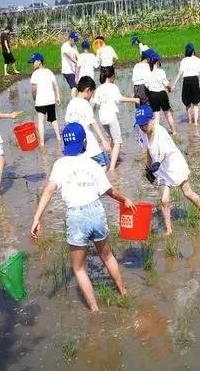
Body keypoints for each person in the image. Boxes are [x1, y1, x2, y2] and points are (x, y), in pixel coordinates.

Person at [31, 123, 135, 311]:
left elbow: (48, 190)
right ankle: (123, 291)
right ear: (84, 142)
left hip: (76, 216)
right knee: (107, 256)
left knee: (79, 268)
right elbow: (110, 191)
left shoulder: (60, 164)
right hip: (95, 210)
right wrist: (124, 199)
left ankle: (94, 309)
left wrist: (37, 218)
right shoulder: (92, 164)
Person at [135, 105, 200, 236]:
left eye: (145, 124)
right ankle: (169, 230)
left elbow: (163, 152)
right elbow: (147, 150)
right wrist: (148, 168)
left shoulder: (161, 132)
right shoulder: (142, 132)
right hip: (161, 170)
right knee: (164, 200)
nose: (143, 128)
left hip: (174, 165)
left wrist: (157, 162)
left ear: (152, 119)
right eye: (140, 125)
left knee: (187, 192)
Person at [92, 67, 140, 172]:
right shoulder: (112, 86)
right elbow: (120, 99)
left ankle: (112, 158)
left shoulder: (99, 88)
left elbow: (94, 103)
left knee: (113, 139)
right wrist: (134, 100)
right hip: (111, 116)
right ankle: (112, 169)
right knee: (118, 142)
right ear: (112, 76)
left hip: (102, 118)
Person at [65, 77, 112, 168]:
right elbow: (93, 122)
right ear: (88, 90)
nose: (91, 97)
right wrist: (104, 141)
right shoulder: (85, 104)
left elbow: (67, 123)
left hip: (77, 145)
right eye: (92, 93)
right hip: (90, 144)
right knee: (104, 166)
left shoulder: (71, 103)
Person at [29, 52, 62, 150]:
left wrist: (34, 99)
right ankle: (58, 138)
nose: (32, 64)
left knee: (40, 121)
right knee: (53, 119)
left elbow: (34, 90)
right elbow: (56, 85)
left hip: (41, 101)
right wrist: (58, 97)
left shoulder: (35, 74)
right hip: (51, 100)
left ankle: (42, 143)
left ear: (39, 62)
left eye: (33, 62)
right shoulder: (49, 71)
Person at [172, 43, 200, 125]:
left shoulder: (184, 60)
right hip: (195, 80)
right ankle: (195, 122)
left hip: (186, 81)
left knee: (187, 103)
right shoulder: (198, 60)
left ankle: (189, 121)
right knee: (195, 103)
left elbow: (180, 73)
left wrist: (174, 84)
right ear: (193, 51)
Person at [145, 50, 177, 135]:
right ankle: (174, 132)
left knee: (156, 117)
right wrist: (170, 88)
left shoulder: (147, 73)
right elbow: (166, 84)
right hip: (162, 94)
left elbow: (147, 86)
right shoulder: (161, 71)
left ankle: (156, 135)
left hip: (153, 95)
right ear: (157, 61)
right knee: (168, 114)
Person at [60, 31, 80, 98]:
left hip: (74, 70)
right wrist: (76, 62)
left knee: (77, 87)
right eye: (75, 40)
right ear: (70, 38)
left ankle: (76, 100)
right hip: (67, 71)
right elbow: (69, 56)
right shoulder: (64, 46)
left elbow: (78, 56)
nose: (75, 41)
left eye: (76, 40)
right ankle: (73, 102)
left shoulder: (74, 46)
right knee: (74, 87)